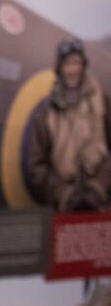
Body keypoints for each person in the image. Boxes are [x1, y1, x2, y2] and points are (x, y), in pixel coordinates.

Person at [27, 37, 111, 212]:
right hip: (64, 209)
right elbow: (36, 166)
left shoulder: (103, 102)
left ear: (83, 66)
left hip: (102, 205)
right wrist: (64, 193)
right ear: (60, 68)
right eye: (67, 64)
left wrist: (99, 188)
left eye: (76, 63)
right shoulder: (46, 112)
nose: (72, 70)